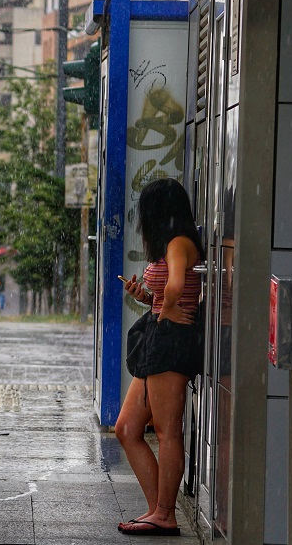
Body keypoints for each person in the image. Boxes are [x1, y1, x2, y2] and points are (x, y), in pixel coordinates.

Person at [116, 178, 205, 537]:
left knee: (168, 430)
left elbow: (175, 286)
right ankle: (158, 510)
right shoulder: (174, 243)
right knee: (127, 428)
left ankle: (164, 514)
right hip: (160, 338)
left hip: (171, 342)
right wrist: (146, 297)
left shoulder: (179, 243)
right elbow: (164, 292)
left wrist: (165, 308)